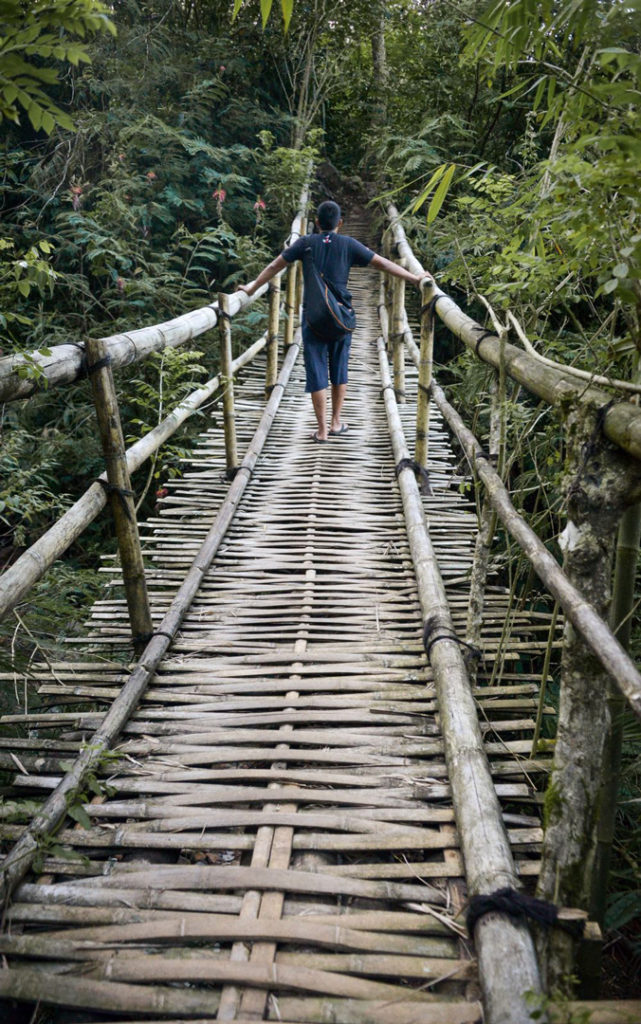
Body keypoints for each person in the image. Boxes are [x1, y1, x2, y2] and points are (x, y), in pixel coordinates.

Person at [238, 200, 431, 442]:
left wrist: (251, 287)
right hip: (340, 317)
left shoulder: (305, 243)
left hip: (313, 318)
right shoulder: (348, 244)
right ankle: (336, 422)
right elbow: (382, 263)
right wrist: (414, 278)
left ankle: (321, 431)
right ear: (340, 222)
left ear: (316, 222)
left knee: (316, 370)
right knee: (339, 368)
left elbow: (275, 265)